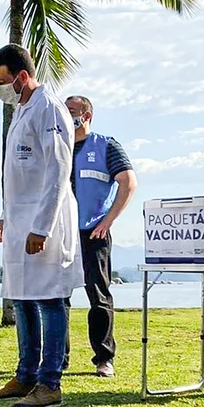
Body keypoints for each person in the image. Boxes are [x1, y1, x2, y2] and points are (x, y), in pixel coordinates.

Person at [0, 44, 84, 407]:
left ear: (23, 76)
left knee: (48, 299)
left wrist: (41, 226)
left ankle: (49, 383)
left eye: (3, 81)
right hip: (19, 220)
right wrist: (6, 216)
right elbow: (19, 176)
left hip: (46, 222)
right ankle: (25, 376)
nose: (1, 89)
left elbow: (58, 170)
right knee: (22, 299)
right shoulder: (21, 110)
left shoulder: (49, 108)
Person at [62, 95, 137, 377]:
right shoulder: (58, 147)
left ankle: (104, 358)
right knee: (58, 297)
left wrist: (108, 221)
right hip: (61, 234)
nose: (67, 116)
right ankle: (59, 358)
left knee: (99, 295)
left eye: (72, 111)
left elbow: (128, 182)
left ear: (87, 115)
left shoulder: (106, 145)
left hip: (93, 232)